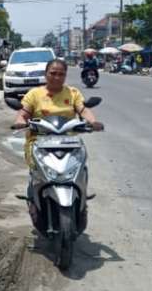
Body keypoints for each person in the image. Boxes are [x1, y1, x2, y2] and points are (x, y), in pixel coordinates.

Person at [12, 59, 103, 200]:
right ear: (45, 74)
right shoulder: (34, 94)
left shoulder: (73, 93)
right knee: (38, 171)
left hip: (69, 142)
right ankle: (34, 194)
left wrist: (93, 121)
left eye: (61, 74)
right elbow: (23, 113)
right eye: (53, 73)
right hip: (39, 141)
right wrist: (19, 122)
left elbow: (83, 110)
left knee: (81, 167)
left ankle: (81, 193)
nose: (57, 77)